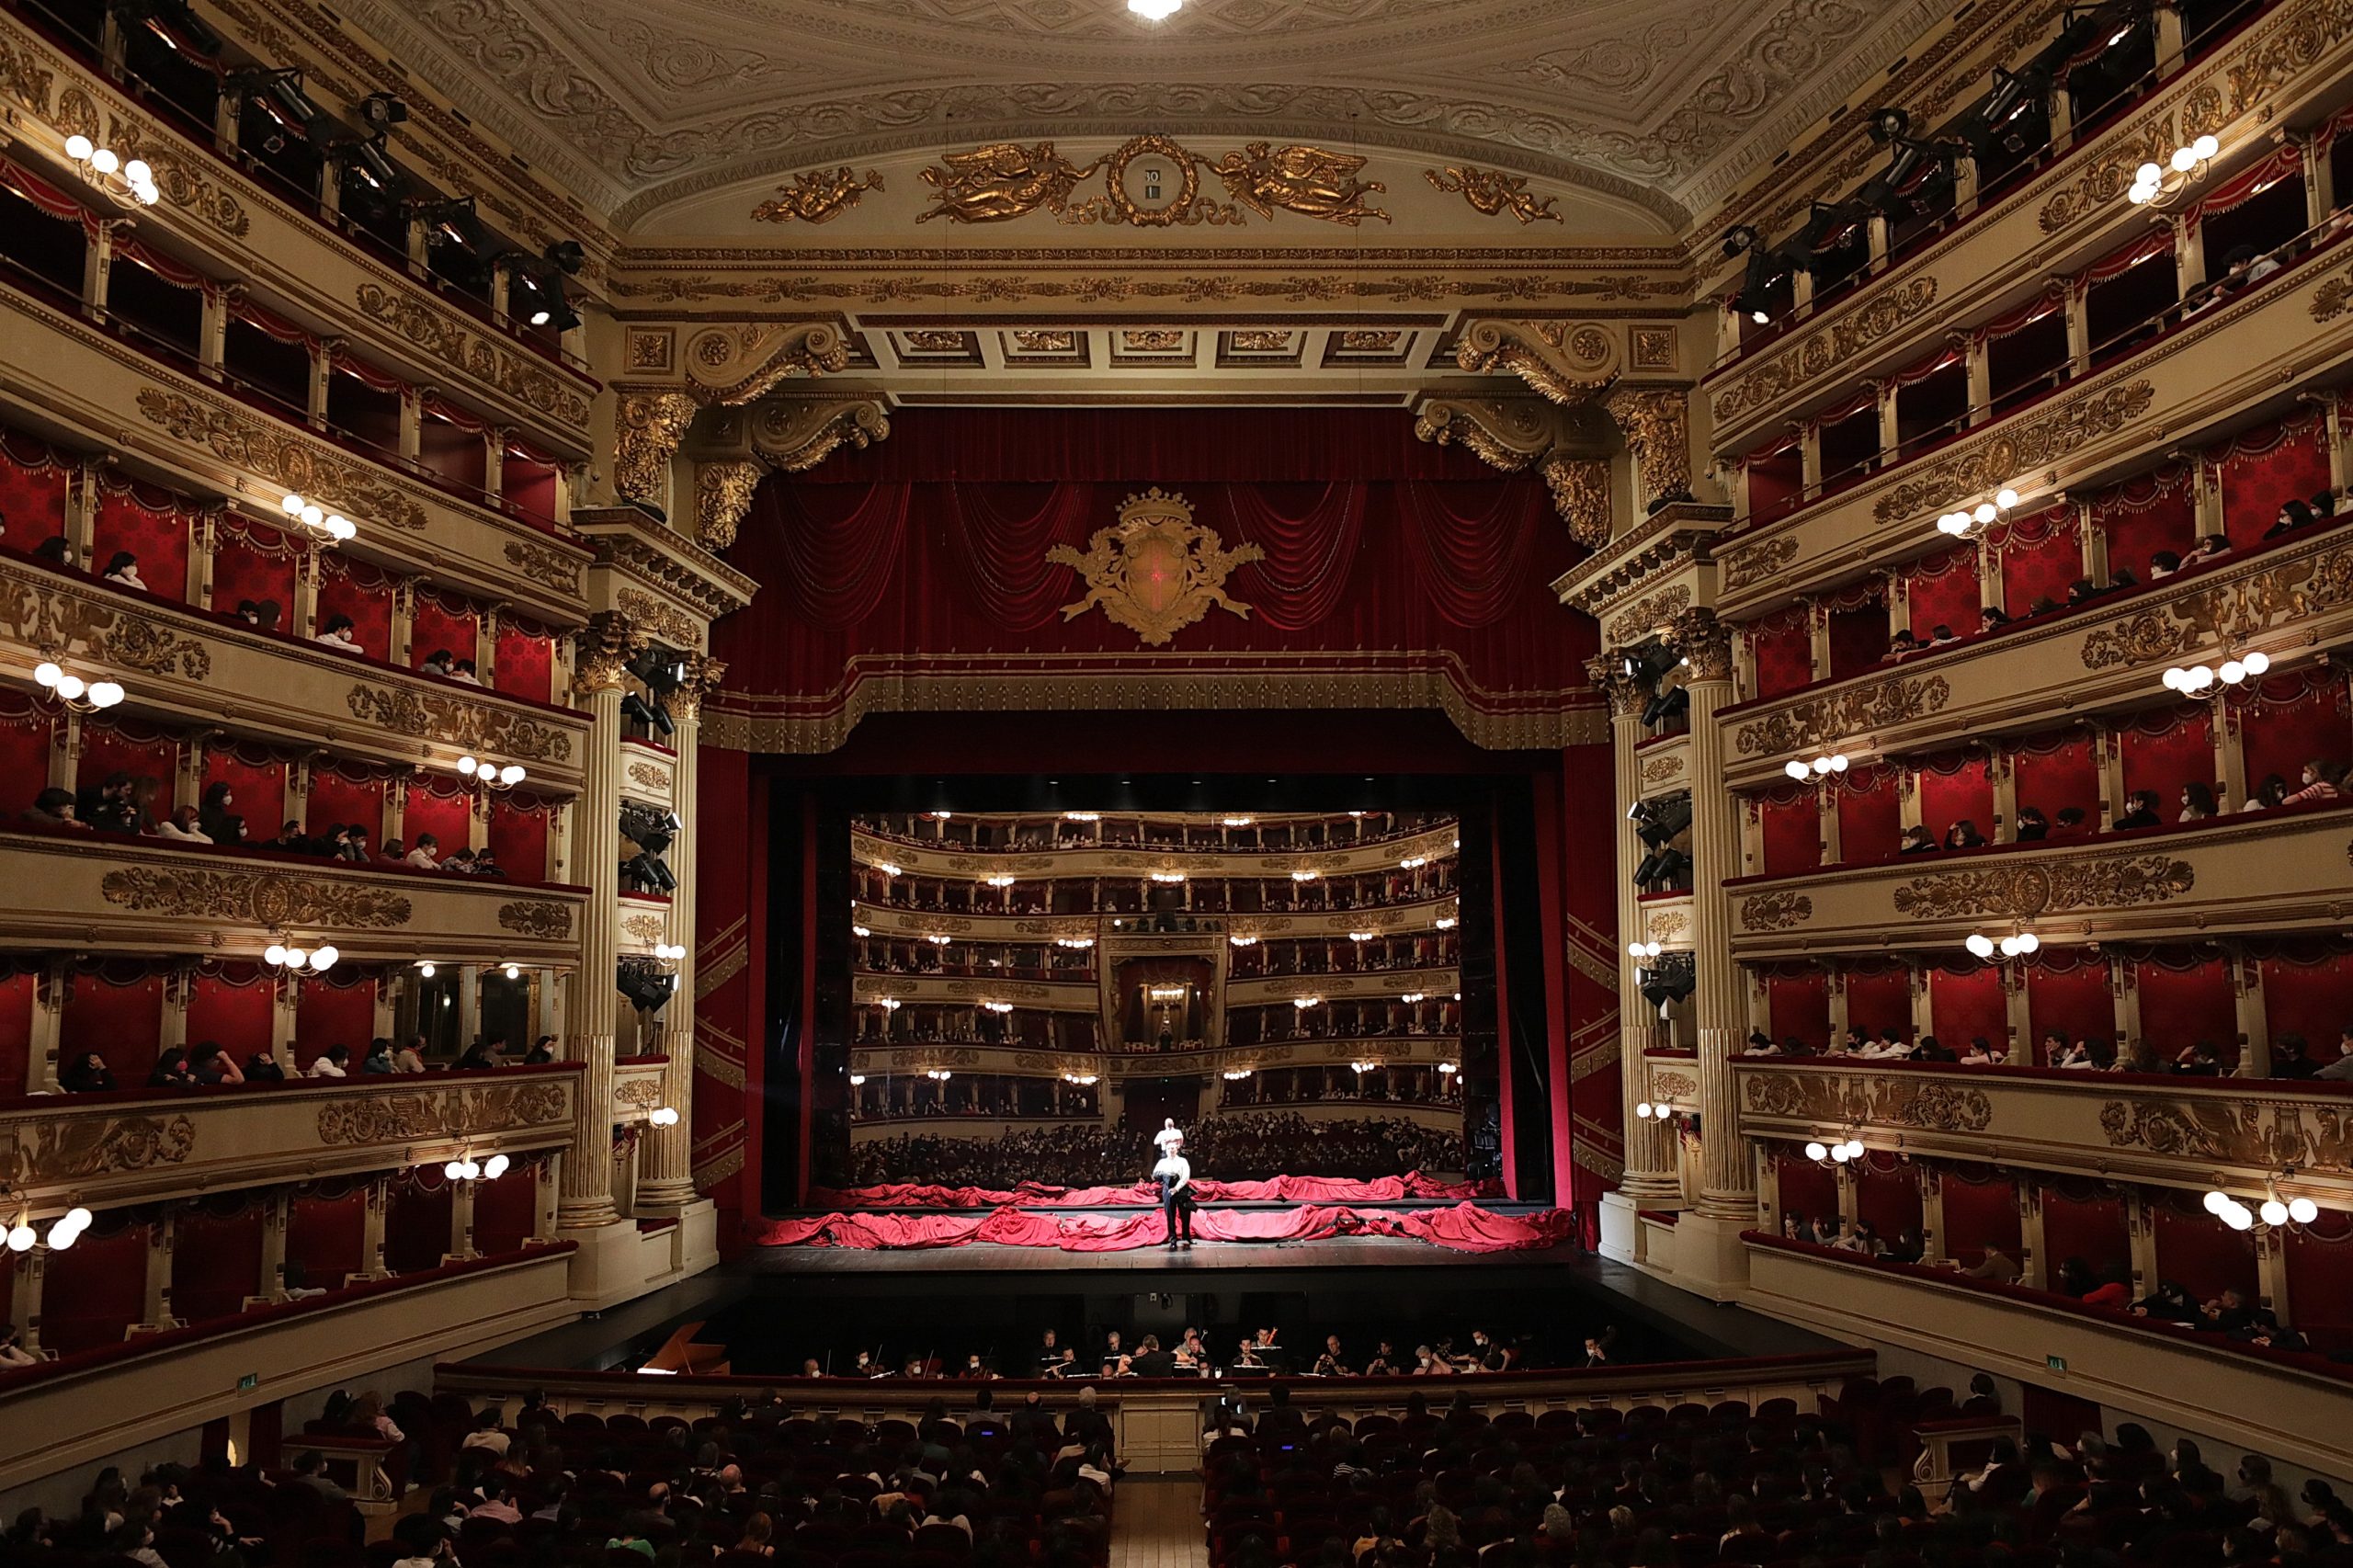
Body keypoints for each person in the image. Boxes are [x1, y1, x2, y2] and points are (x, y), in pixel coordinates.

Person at [1154, 1140, 1196, 1249]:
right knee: (1170, 1215)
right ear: (1166, 1150)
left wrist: (1176, 1188)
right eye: (1169, 1148)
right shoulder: (1162, 1162)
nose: (1171, 1150)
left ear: (1177, 1149)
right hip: (1168, 1189)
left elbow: (1186, 1177)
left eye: (1173, 1148)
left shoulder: (1183, 1161)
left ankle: (1186, 1236)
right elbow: (1155, 1175)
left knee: (1185, 1214)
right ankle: (1173, 1238)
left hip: (1181, 1189)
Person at [22, 787, 87, 831]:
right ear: (55, 805)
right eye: (64, 804)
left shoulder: (57, 815)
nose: (67, 807)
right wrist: (67, 822)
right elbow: (45, 820)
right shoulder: (31, 814)